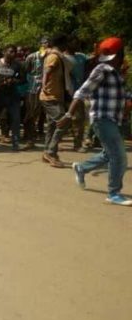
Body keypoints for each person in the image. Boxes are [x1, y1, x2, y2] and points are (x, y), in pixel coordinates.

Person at [62, 37, 132, 206]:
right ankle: (114, 193)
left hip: (114, 119)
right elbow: (81, 92)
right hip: (102, 118)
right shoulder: (102, 69)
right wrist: (68, 115)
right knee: (119, 156)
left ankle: (82, 168)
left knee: (109, 153)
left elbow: (123, 96)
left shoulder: (116, 72)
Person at [40, 34, 70, 167]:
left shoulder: (56, 55)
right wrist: (45, 85)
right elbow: (47, 70)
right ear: (62, 44)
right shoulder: (54, 56)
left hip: (55, 96)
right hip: (50, 96)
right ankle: (51, 152)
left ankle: (48, 152)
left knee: (52, 125)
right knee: (63, 122)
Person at [0, 45, 25, 150]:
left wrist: (13, 81)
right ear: (4, 52)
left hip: (12, 95)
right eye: (11, 51)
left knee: (16, 118)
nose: (13, 54)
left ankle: (15, 142)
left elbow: (22, 79)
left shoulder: (17, 65)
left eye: (14, 52)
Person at [22, 38, 48, 149]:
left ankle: (36, 134)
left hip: (46, 88)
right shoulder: (32, 57)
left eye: (48, 44)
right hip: (32, 89)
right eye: (44, 44)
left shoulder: (51, 57)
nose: (46, 45)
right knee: (31, 112)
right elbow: (25, 72)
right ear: (40, 45)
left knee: (41, 113)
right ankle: (29, 137)